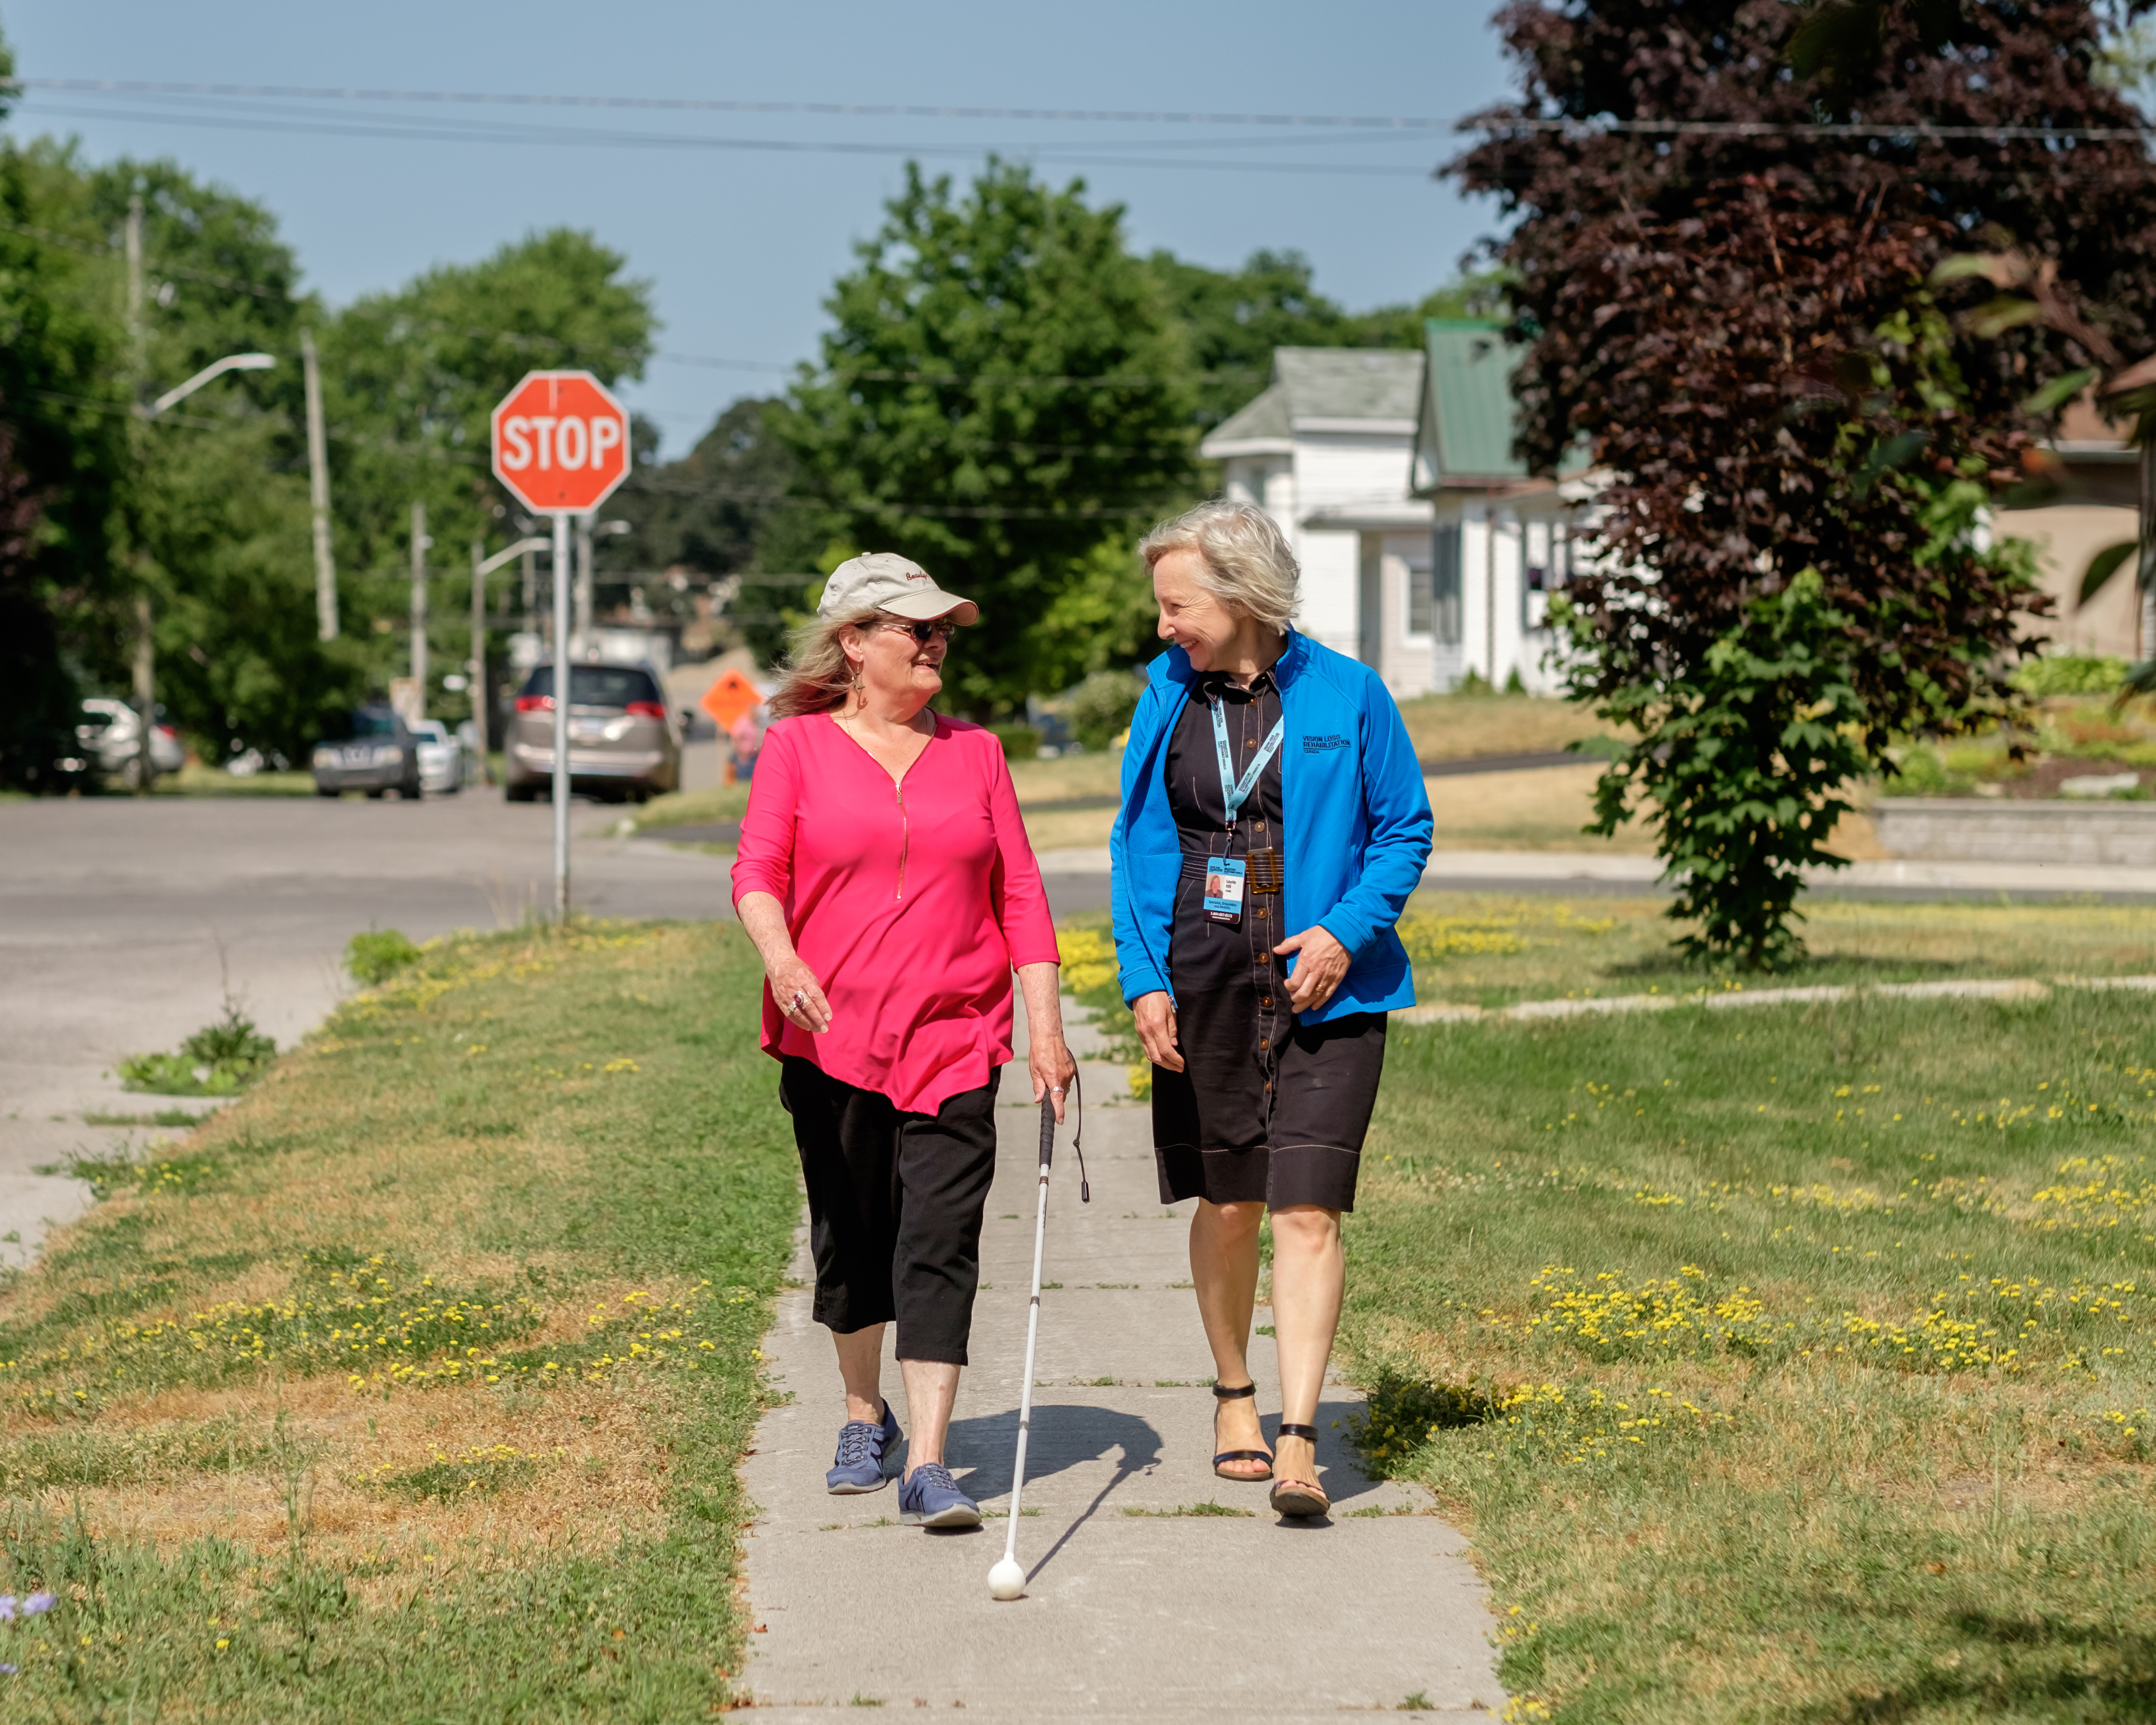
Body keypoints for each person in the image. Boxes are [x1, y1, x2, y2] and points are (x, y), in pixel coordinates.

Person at [731, 552, 1077, 1530]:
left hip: (956, 1038)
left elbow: (1019, 895)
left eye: (943, 633)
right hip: (830, 1037)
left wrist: (1044, 1030)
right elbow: (756, 869)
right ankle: (859, 1412)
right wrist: (783, 959)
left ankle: (929, 1460)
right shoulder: (798, 747)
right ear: (854, 643)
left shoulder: (978, 754)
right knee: (854, 1237)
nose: (935, 646)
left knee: (940, 1238)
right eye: (915, 630)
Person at [1110, 502, 1433, 1520]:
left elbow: (1403, 830)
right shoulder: (1164, 695)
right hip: (1201, 978)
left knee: (1305, 1206)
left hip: (1326, 987)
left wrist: (1344, 930)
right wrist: (1143, 977)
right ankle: (1234, 1398)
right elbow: (1133, 845)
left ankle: (1299, 1436)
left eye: (1177, 605)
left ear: (1241, 594)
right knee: (1231, 1201)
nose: (1163, 627)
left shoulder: (1350, 693)